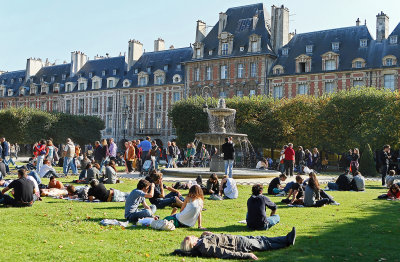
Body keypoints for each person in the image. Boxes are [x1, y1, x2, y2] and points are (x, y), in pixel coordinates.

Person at [175, 228, 296, 260]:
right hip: (238, 245)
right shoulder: (204, 247)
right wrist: (246, 255)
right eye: (191, 237)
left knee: (262, 239)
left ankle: (286, 238)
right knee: (264, 244)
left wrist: (207, 234)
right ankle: (287, 241)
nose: (192, 235)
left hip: (237, 239)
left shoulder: (202, 240)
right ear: (193, 244)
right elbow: (224, 253)